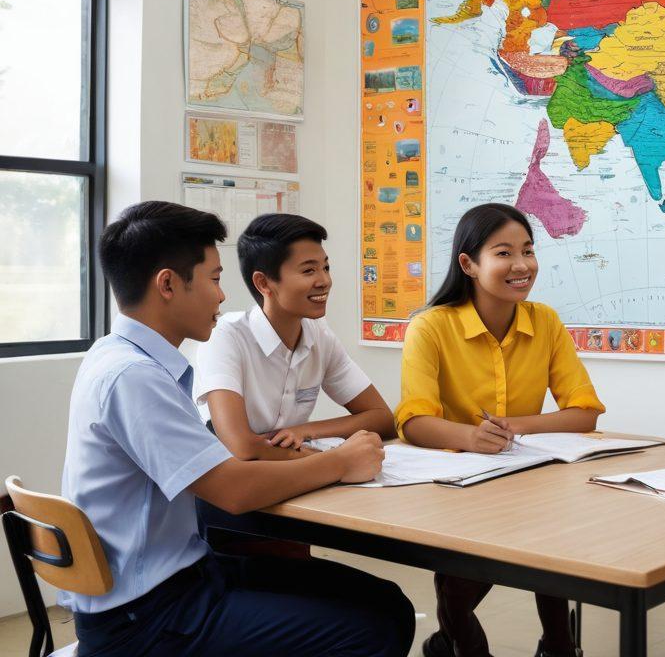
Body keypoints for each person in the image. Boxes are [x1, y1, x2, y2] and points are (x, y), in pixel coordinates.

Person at [61, 201, 414, 656]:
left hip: (184, 580)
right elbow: (233, 489)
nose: (223, 296)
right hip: (149, 618)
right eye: (213, 279)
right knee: (372, 627)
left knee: (386, 603)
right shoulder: (133, 376)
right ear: (167, 284)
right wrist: (339, 462)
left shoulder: (120, 357)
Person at [397, 203, 605, 657]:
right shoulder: (430, 327)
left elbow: (584, 411)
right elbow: (413, 420)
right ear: (468, 264)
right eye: (504, 253)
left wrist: (515, 427)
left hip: (525, 475)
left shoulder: (544, 320)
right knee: (461, 589)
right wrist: (470, 438)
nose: (521, 265)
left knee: (549, 548)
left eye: (528, 251)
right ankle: (457, 643)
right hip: (455, 489)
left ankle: (558, 646)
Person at [195, 213, 395, 462]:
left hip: (290, 477)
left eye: (326, 267)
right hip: (231, 487)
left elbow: (383, 418)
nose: (324, 281)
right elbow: (242, 447)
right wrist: (336, 460)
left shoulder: (319, 334)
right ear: (263, 283)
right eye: (309, 270)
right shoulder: (226, 336)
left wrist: (303, 431)